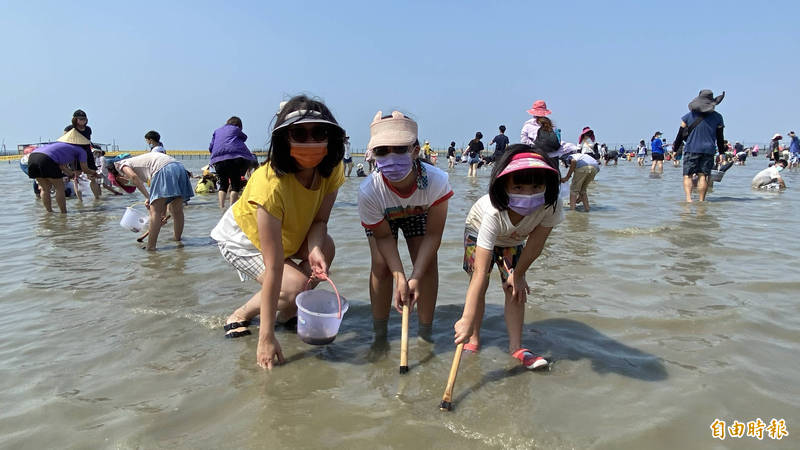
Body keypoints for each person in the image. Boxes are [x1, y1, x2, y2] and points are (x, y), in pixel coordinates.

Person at [210, 96, 345, 369]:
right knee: (293, 285)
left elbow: (319, 221)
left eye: (318, 133)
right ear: (284, 138)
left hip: (288, 232)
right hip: (242, 238)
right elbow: (274, 268)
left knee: (327, 248)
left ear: (331, 137)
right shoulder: (269, 183)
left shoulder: (332, 170)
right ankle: (241, 314)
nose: (310, 142)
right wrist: (266, 338)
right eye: (299, 134)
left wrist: (316, 248)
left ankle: (286, 313)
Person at [454, 145, 562, 369]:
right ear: (504, 185)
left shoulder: (551, 205)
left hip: (513, 241)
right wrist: (465, 319)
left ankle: (516, 347)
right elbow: (481, 273)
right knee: (479, 284)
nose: (529, 194)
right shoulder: (494, 211)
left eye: (536, 186)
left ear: (547, 185)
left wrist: (519, 275)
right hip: (477, 232)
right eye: (519, 187)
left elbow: (535, 245)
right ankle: (473, 338)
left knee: (514, 289)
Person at [358, 110, 452, 344]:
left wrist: (415, 276)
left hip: (419, 211)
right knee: (381, 266)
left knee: (427, 265)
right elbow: (384, 238)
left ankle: (425, 335)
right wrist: (400, 276)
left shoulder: (436, 182)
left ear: (415, 151)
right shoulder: (369, 191)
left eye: (400, 149)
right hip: (384, 215)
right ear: (373, 155)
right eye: (382, 151)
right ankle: (380, 335)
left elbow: (433, 235)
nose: (391, 157)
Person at [110, 150, 193, 250]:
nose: (126, 184)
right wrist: (162, 214)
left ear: (119, 178)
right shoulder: (138, 165)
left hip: (163, 169)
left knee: (155, 212)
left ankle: (151, 247)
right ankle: (177, 241)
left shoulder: (120, 165)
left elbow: (133, 177)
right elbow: (162, 198)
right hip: (179, 167)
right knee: (177, 210)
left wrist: (148, 197)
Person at [672, 89, 726, 202]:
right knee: (703, 176)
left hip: (691, 148)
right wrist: (722, 153)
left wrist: (675, 149)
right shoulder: (718, 117)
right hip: (709, 150)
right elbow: (720, 137)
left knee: (688, 175)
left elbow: (680, 135)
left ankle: (688, 200)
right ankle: (701, 201)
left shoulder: (687, 117)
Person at [26, 129, 98, 213]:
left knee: (45, 189)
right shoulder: (81, 150)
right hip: (47, 159)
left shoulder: (59, 145)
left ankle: (49, 212)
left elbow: (61, 166)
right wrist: (94, 173)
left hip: (32, 157)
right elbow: (85, 169)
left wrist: (70, 173)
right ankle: (63, 213)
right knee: (59, 188)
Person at [208, 116, 257, 210]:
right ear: (239, 125)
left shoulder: (217, 131)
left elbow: (210, 147)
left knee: (223, 184)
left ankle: (221, 207)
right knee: (235, 184)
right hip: (234, 159)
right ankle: (231, 208)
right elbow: (244, 137)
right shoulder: (236, 129)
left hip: (218, 160)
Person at [64, 109, 102, 200]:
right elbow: (64, 141)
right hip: (75, 154)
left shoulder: (88, 129)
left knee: (92, 176)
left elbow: (88, 141)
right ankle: (80, 200)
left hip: (87, 153)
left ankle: (97, 198)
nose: (82, 121)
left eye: (84, 119)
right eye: (80, 119)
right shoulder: (69, 129)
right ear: (75, 119)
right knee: (76, 176)